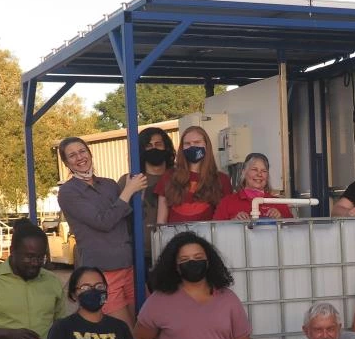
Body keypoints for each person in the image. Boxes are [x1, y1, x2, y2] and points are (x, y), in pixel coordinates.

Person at [57, 136, 147, 326]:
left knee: (144, 326)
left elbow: (124, 218)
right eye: (72, 155)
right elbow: (103, 222)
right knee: (124, 332)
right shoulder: (68, 192)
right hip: (103, 273)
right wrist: (128, 191)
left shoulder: (109, 184)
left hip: (129, 267)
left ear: (90, 153)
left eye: (82, 151)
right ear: (66, 163)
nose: (79, 157)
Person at [120, 126, 176, 269]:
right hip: (139, 256)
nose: (154, 149)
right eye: (148, 146)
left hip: (174, 251)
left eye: (158, 144)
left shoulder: (178, 178)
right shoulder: (128, 180)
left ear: (167, 148)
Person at [154, 126, 233, 224]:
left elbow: (227, 219)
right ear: (182, 148)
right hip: (175, 237)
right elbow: (161, 221)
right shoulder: (169, 176)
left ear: (206, 145)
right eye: (187, 143)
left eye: (197, 142)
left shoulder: (221, 179)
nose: (192, 146)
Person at [213, 153, 294, 221]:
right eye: (254, 169)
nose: (259, 174)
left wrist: (280, 219)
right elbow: (215, 232)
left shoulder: (279, 204)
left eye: (264, 171)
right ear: (244, 172)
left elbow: (293, 232)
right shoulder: (227, 202)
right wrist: (233, 223)